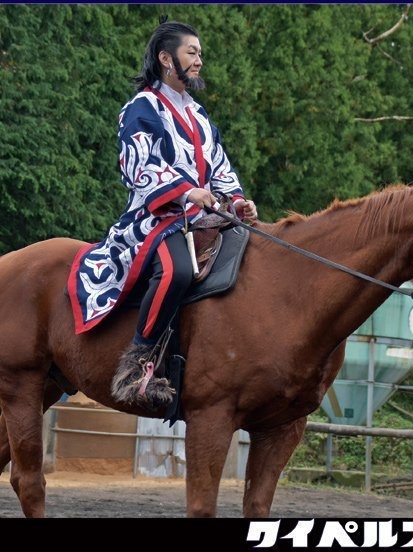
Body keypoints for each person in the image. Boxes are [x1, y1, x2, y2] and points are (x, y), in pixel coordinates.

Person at [67, 20, 258, 408]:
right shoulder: (141, 108)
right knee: (179, 270)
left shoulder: (201, 117)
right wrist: (187, 191)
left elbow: (220, 167)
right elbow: (137, 167)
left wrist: (237, 201)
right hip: (155, 217)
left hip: (204, 217)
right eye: (192, 53)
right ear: (166, 58)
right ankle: (138, 362)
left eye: (201, 53)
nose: (200, 61)